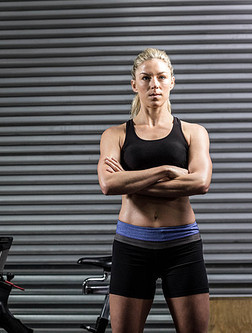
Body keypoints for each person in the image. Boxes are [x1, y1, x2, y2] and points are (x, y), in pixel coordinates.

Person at [97, 48, 212, 333]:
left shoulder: (193, 132)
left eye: (161, 77)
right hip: (132, 247)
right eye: (146, 78)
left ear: (172, 81)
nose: (154, 85)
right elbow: (109, 184)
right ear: (134, 84)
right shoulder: (116, 134)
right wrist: (166, 171)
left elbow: (200, 182)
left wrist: (132, 182)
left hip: (182, 247)